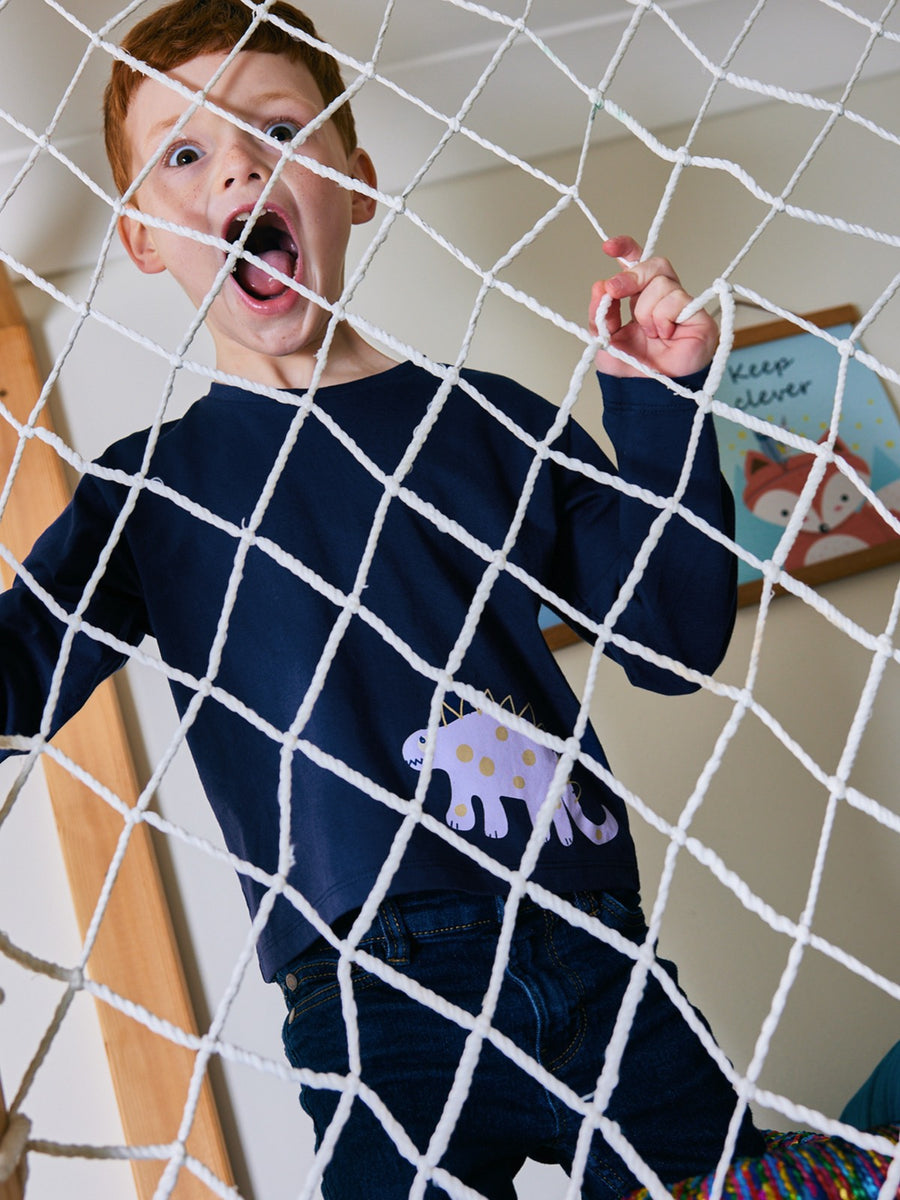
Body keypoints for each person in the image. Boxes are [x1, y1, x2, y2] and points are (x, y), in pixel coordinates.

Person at [0, 1, 764, 1195]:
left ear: (356, 184)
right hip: (369, 1000)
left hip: (593, 946)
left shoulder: (491, 421)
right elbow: (17, 676)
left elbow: (669, 640)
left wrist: (658, 406)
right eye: (185, 154)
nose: (242, 164)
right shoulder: (151, 494)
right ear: (144, 234)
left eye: (277, 129)